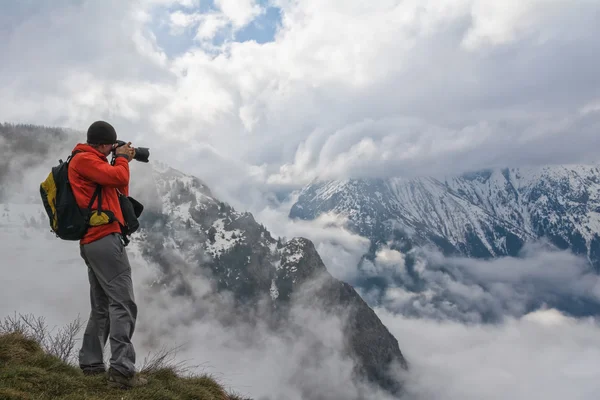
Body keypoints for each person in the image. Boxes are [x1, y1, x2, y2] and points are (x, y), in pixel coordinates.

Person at [68, 120, 148, 388]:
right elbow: (120, 177)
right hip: (103, 241)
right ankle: (122, 372)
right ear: (103, 144)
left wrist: (120, 160)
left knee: (102, 306)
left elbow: (118, 192)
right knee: (123, 303)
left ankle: (91, 365)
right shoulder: (84, 160)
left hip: (97, 241)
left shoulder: (94, 163)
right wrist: (122, 159)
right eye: (111, 146)